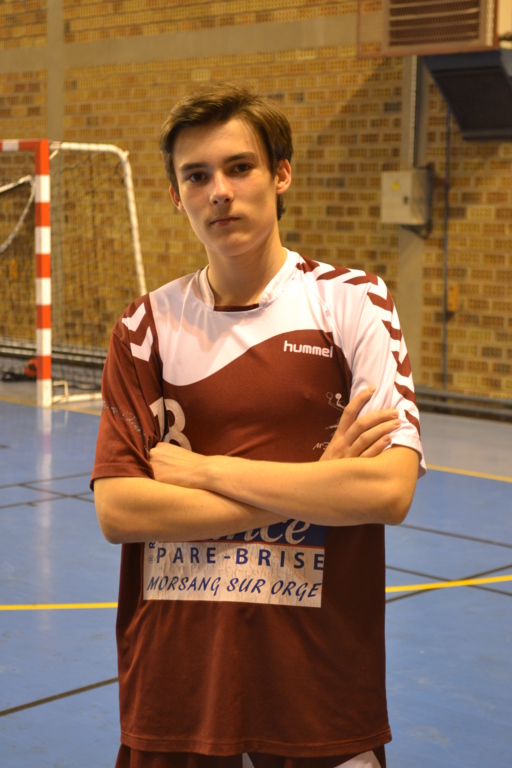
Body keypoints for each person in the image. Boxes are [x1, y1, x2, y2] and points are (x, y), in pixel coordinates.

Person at [92, 81, 425, 768]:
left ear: (281, 175)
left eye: (239, 167)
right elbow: (121, 510)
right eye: (196, 176)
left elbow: (388, 491)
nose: (219, 191)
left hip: (318, 683)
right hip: (178, 683)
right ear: (175, 195)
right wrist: (317, 484)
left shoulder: (353, 303)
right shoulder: (144, 326)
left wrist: (205, 471)